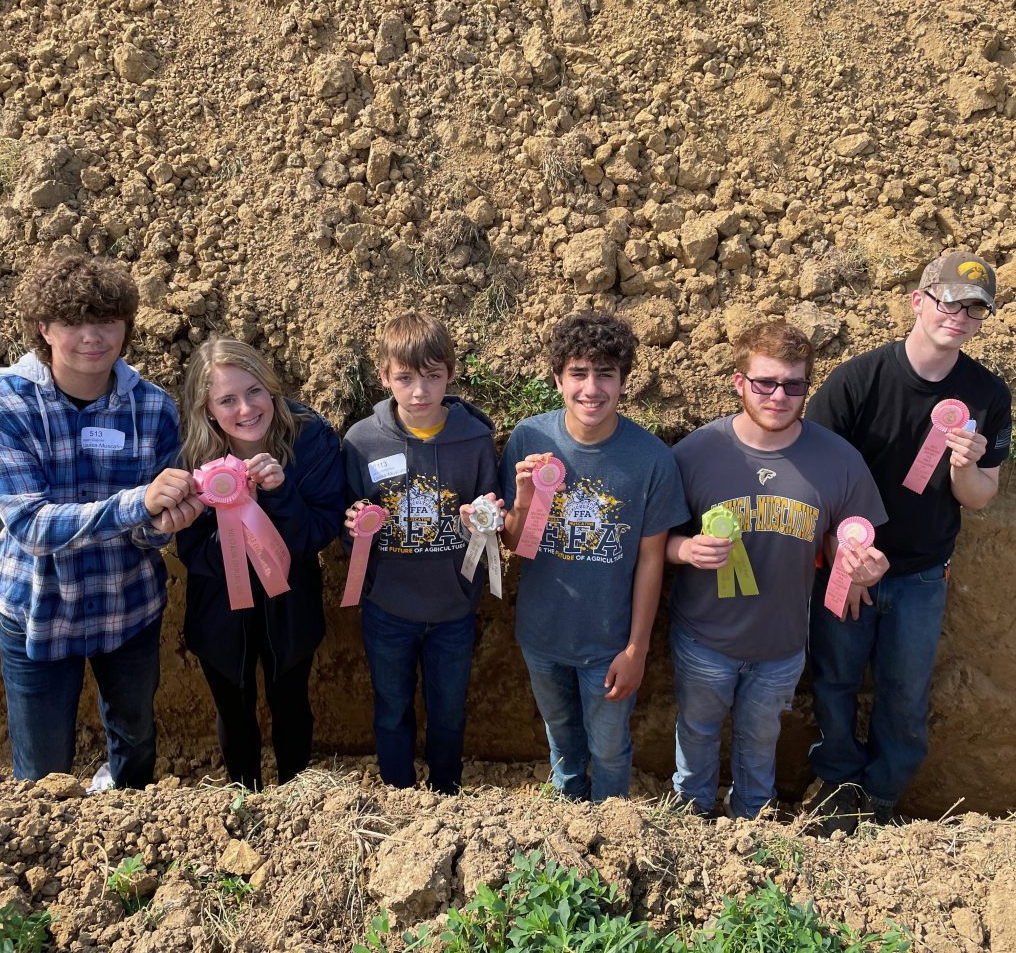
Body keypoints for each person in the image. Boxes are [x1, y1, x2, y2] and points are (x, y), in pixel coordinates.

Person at [806, 252, 1012, 830]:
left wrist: (964, 466)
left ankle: (882, 799)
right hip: (846, 563)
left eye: (975, 309)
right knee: (835, 679)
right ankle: (837, 787)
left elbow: (978, 496)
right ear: (919, 301)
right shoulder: (857, 380)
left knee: (904, 696)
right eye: (950, 301)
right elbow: (813, 475)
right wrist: (840, 557)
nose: (961, 316)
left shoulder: (988, 395)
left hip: (922, 574)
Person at [0, 255, 201, 786]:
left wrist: (168, 518)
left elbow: (148, 533)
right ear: (44, 328)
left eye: (107, 321)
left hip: (126, 606)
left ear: (126, 325)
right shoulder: (6, 405)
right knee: (42, 774)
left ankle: (133, 853)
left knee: (134, 742)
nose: (92, 337)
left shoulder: (152, 409)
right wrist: (141, 502)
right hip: (37, 611)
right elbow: (32, 527)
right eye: (73, 323)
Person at [665, 322, 888, 820]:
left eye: (793, 384)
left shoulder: (838, 460)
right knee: (696, 737)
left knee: (760, 745)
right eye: (765, 382)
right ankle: (687, 830)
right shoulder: (694, 454)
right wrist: (686, 551)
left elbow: (843, 541)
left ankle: (754, 834)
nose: (779, 395)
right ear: (739, 382)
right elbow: (656, 541)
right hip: (705, 641)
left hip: (782, 648)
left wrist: (861, 567)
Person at [500, 310, 687, 801]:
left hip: (608, 645)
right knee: (561, 740)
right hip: (542, 636)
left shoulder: (650, 459)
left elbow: (652, 560)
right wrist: (522, 500)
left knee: (607, 749)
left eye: (605, 374)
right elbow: (518, 546)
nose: (591, 388)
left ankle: (610, 830)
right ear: (558, 378)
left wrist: (636, 649)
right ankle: (568, 823)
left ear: (624, 381)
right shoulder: (530, 440)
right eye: (579, 373)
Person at [177, 338, 345, 791]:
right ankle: (242, 797)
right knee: (233, 708)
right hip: (219, 608)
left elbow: (318, 532)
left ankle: (296, 799)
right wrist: (230, 530)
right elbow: (189, 550)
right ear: (208, 409)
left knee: (291, 702)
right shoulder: (188, 455)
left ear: (270, 388)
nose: (246, 408)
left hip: (291, 601)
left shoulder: (312, 439)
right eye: (227, 399)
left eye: (254, 391)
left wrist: (279, 493)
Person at [342, 312, 499, 795]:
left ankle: (445, 793)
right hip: (387, 607)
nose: (419, 392)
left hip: (454, 608)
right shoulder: (360, 442)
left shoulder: (475, 440)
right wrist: (352, 529)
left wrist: (485, 517)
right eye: (405, 378)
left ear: (450, 374)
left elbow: (491, 517)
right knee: (392, 707)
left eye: (432, 376)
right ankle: (398, 792)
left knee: (448, 707)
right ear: (385, 376)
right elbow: (347, 528)